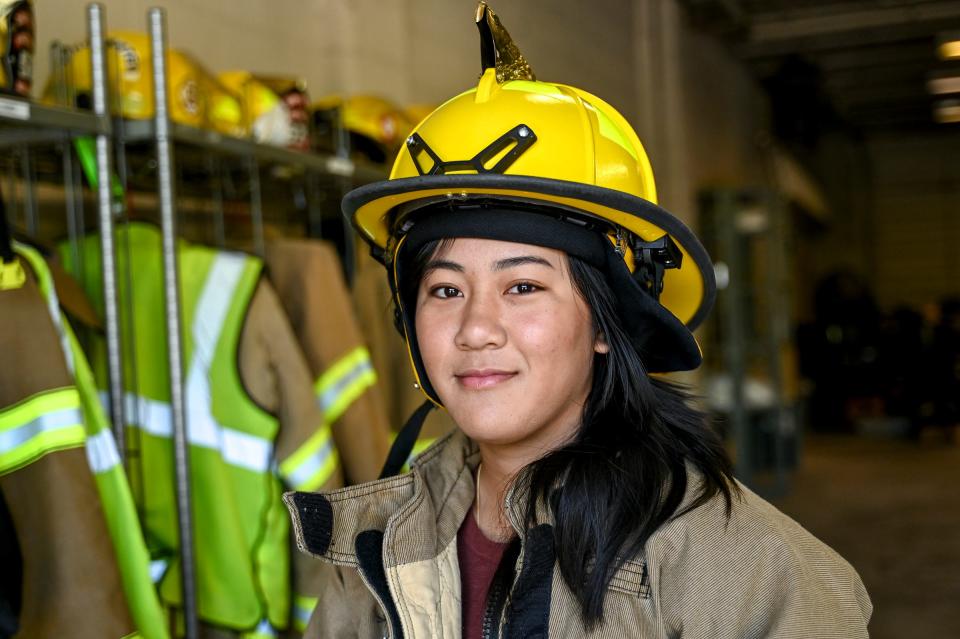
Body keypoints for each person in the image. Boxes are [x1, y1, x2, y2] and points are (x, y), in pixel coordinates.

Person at [284, 4, 872, 637]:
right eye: (446, 290)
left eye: (524, 285)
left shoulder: (744, 573)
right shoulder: (378, 539)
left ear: (605, 322)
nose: (476, 329)